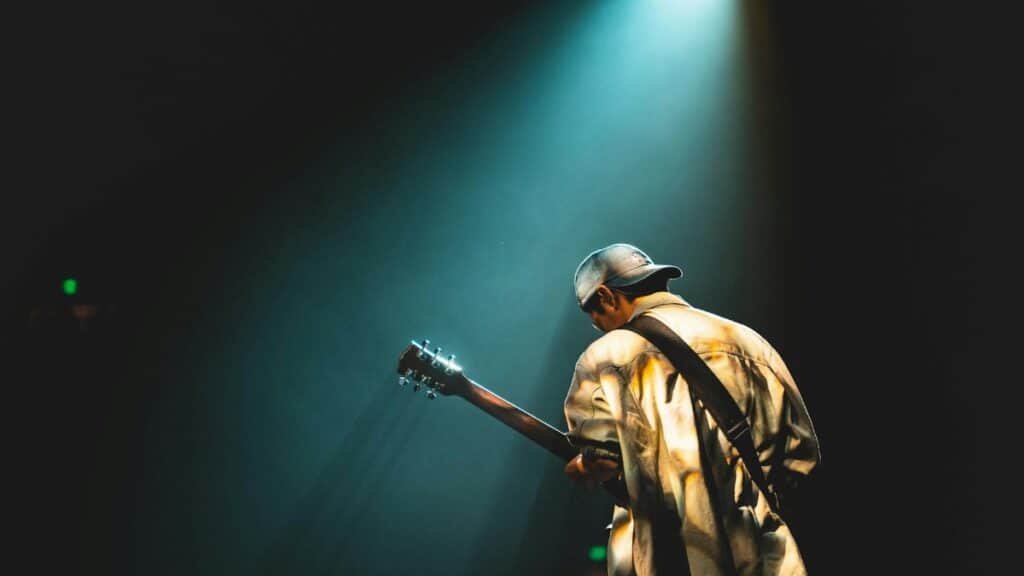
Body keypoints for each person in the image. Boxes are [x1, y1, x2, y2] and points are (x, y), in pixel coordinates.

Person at [563, 243, 820, 576]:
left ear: (606, 297)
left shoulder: (604, 357)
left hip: (672, 560)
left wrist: (585, 466)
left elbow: (604, 461)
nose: (597, 326)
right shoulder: (747, 341)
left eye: (593, 315)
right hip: (767, 557)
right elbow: (801, 454)